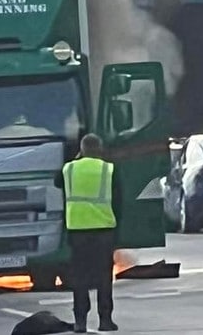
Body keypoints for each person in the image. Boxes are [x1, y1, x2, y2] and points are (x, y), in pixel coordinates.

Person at [54, 133, 122, 333]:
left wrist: (76, 158)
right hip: (104, 230)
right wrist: (117, 230)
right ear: (100, 149)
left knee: (80, 277)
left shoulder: (69, 169)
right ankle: (105, 320)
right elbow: (119, 201)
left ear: (81, 149)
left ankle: (80, 321)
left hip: (77, 231)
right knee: (103, 277)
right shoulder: (108, 170)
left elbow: (57, 182)